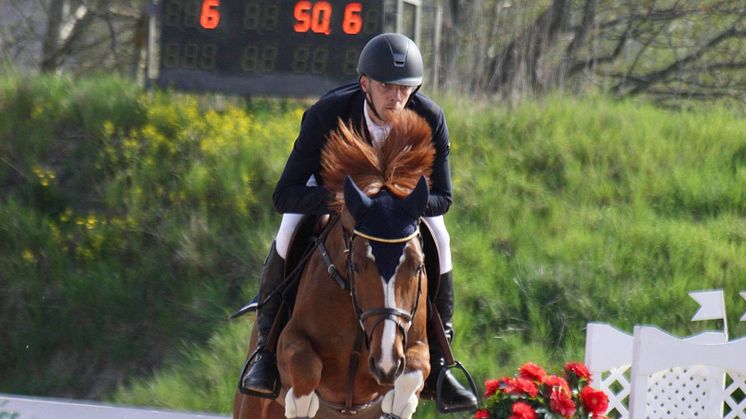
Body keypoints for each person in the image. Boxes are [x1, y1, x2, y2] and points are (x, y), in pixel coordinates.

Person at [239, 32, 477, 411]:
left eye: (404, 88)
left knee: (442, 240)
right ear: (365, 82)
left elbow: (443, 198)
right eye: (386, 86)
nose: (396, 97)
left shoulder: (430, 117)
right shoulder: (328, 113)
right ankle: (266, 353)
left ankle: (442, 364)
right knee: (287, 231)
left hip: (399, 211)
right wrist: (336, 200)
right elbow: (284, 193)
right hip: (336, 198)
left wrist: (391, 202)